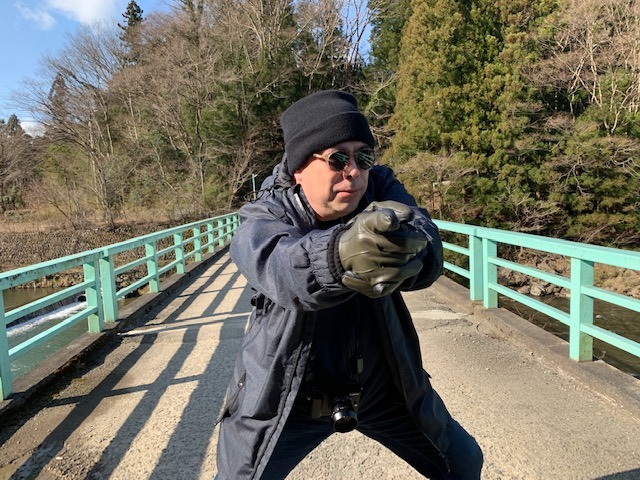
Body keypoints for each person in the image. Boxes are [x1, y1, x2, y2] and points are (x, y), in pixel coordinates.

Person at [215, 90, 483, 479]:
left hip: (383, 389)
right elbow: (279, 268)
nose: (354, 171)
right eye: (338, 159)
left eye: (364, 157)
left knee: (463, 462)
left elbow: (424, 238)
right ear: (299, 168)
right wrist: (340, 255)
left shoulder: (380, 187)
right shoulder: (265, 214)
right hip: (283, 398)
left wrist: (412, 251)